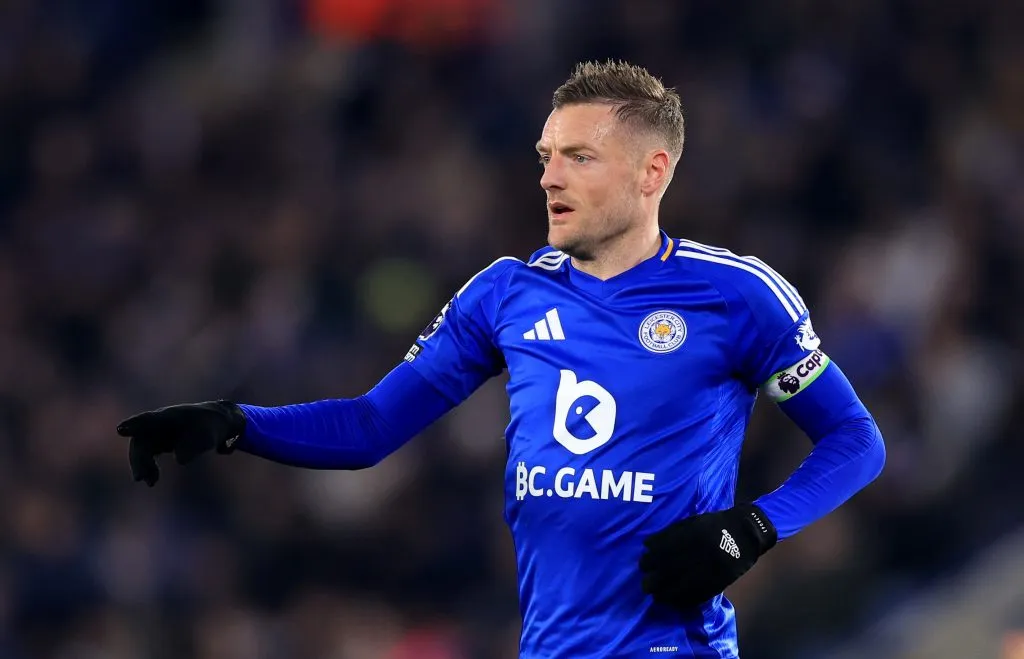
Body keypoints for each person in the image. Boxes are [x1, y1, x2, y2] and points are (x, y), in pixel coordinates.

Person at [117, 60, 886, 658]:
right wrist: (233, 422)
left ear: (653, 172)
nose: (549, 176)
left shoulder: (738, 296)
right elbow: (369, 427)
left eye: (579, 157)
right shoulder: (505, 294)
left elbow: (856, 440)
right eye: (546, 155)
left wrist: (749, 529)